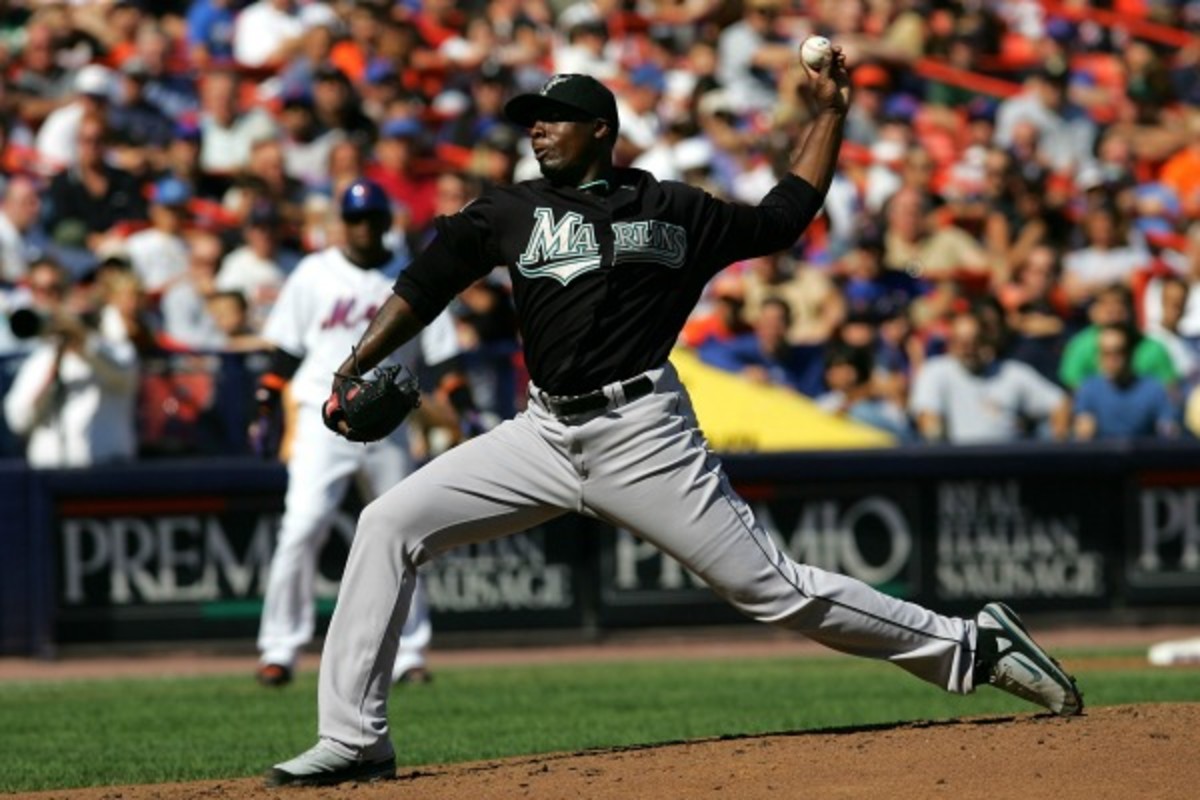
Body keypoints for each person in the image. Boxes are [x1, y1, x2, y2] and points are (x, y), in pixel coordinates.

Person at [267, 65, 1082, 787]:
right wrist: (350, 365)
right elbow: (426, 282)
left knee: (771, 590)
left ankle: (973, 646)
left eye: (552, 118)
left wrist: (828, 114)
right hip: (542, 434)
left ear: (602, 131)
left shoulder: (675, 208)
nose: (536, 130)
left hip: (643, 433)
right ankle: (353, 740)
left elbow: (785, 215)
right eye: (529, 121)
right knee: (386, 523)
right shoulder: (510, 211)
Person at [252, 179, 464, 689]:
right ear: (341, 223)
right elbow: (284, 352)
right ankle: (278, 648)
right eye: (355, 218)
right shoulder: (313, 273)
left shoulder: (411, 273)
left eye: (372, 218)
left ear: (386, 222)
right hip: (319, 417)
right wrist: (264, 402)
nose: (364, 227)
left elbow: (444, 357)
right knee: (302, 527)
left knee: (407, 533)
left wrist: (460, 403)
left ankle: (411, 653)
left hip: (388, 423)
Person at [2, 258, 137, 467]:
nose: (48, 297)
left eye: (54, 289)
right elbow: (18, 420)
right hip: (49, 478)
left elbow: (122, 373)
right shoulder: (41, 359)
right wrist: (53, 368)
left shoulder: (111, 344)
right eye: (39, 290)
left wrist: (81, 341)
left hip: (107, 472)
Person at [910, 307, 1071, 444]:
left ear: (986, 340)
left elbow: (1059, 401)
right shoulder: (936, 371)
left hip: (1009, 464)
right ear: (951, 344)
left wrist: (1059, 439)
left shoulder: (1011, 373)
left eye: (974, 341)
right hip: (957, 466)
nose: (969, 349)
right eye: (961, 342)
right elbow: (928, 418)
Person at [1072, 324, 1178, 441]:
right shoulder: (1089, 388)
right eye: (1106, 353)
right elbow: (1083, 430)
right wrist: (1084, 430)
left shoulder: (1153, 389)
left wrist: (1168, 430)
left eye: (1118, 352)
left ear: (1130, 353)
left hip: (1144, 455)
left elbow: (1167, 428)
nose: (1112, 359)